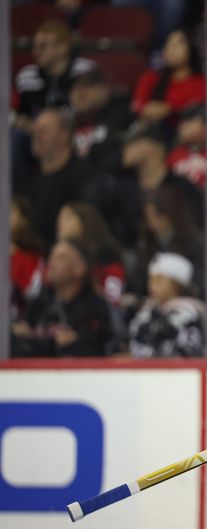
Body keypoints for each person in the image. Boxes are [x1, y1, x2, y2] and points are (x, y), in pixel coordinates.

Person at [14, 108, 100, 247]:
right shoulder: (28, 177)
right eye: (35, 130)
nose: (37, 135)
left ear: (64, 135)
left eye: (44, 130)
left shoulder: (84, 176)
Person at [12, 239, 113, 357]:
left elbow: (91, 346)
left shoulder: (94, 307)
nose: (51, 262)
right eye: (51, 256)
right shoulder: (40, 302)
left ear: (79, 268)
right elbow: (19, 334)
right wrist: (53, 342)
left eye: (61, 258)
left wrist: (36, 340)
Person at [128, 253, 205, 358]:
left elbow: (190, 351)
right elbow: (135, 340)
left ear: (176, 284)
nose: (152, 284)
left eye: (159, 280)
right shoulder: (147, 310)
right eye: (151, 279)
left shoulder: (189, 312)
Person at [56, 202, 127, 307]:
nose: (59, 222)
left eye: (67, 217)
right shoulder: (56, 255)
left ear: (84, 221)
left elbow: (113, 297)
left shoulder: (106, 254)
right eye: (59, 217)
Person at [131, 28, 206, 126]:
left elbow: (196, 110)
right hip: (151, 129)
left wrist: (169, 110)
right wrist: (148, 110)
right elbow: (137, 106)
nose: (171, 50)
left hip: (183, 132)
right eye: (168, 44)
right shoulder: (150, 77)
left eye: (177, 45)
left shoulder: (201, 83)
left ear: (191, 48)